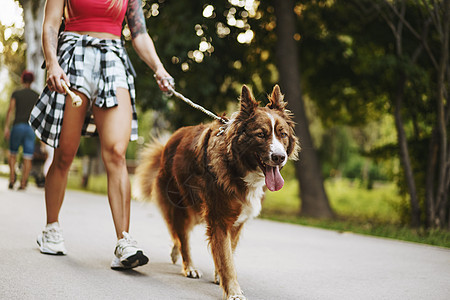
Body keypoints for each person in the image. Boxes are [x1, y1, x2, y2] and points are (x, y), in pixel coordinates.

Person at [29, 0, 173, 270]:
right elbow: (50, 24)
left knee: (117, 153)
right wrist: (52, 64)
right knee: (65, 153)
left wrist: (159, 68)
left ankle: (124, 242)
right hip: (73, 53)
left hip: (113, 56)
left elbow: (139, 33)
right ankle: (51, 228)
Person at [4, 71, 39, 190]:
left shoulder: (16, 93)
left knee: (12, 153)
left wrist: (6, 127)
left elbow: (10, 110)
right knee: (28, 156)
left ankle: (12, 178)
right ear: (32, 80)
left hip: (17, 126)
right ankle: (23, 182)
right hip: (30, 128)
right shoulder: (36, 95)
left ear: (22, 80)